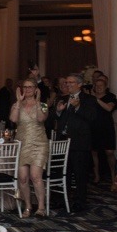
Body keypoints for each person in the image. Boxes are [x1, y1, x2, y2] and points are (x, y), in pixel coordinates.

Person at [53, 73, 98, 214]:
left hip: (80, 142)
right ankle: (62, 200)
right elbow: (53, 119)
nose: (68, 85)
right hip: (63, 141)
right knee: (63, 172)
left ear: (80, 84)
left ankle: (80, 202)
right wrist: (58, 112)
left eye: (71, 82)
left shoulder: (89, 99)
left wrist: (78, 107)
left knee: (80, 174)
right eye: (66, 82)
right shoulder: (63, 99)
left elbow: (92, 118)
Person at [10, 80, 49, 217]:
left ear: (36, 89)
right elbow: (14, 119)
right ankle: (28, 206)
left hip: (39, 144)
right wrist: (18, 102)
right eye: (25, 87)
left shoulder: (43, 105)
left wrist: (38, 101)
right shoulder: (17, 105)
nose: (27, 89)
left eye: (30, 87)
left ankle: (41, 207)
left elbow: (40, 119)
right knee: (23, 178)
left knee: (35, 176)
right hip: (22, 143)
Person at [91, 76, 117, 182]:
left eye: (101, 86)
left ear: (105, 87)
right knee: (94, 152)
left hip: (106, 127)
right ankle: (96, 175)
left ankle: (113, 175)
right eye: (96, 85)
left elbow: (109, 108)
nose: (98, 87)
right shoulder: (90, 98)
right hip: (93, 127)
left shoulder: (110, 96)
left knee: (109, 152)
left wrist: (96, 99)